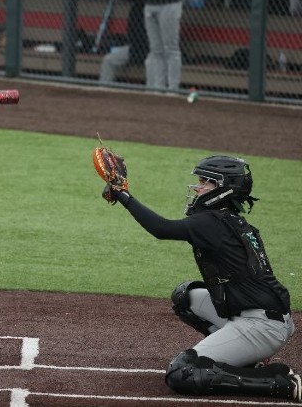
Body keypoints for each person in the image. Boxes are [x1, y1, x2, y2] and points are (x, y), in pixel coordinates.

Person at [102, 155, 299, 403]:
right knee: (186, 296)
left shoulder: (211, 223)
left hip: (261, 326)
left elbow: (161, 229)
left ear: (223, 188)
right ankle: (247, 358)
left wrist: (123, 195)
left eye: (205, 182)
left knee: (183, 372)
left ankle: (280, 383)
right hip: (265, 316)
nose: (198, 188)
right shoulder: (230, 220)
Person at [98, 0, 148, 84]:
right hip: (134, 49)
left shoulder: (155, 9)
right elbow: (131, 34)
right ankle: (103, 90)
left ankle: (153, 92)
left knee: (153, 63)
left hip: (153, 52)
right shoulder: (136, 8)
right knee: (108, 59)